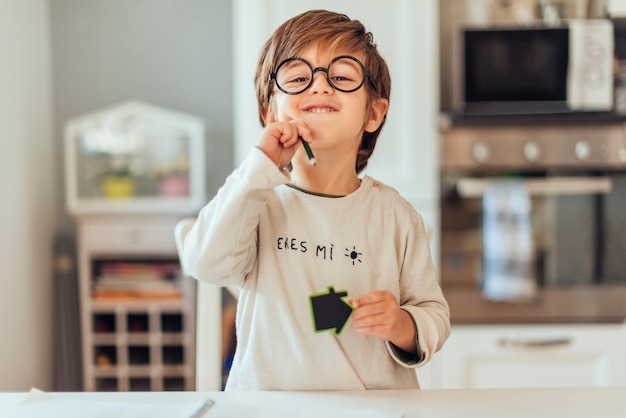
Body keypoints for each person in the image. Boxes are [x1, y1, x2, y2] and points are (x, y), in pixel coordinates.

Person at [182, 9, 450, 391]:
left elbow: (434, 315)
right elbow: (202, 261)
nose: (319, 86)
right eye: (297, 77)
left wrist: (402, 325)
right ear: (269, 111)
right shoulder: (257, 203)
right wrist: (259, 166)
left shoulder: (398, 217)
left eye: (341, 77)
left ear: (373, 113)